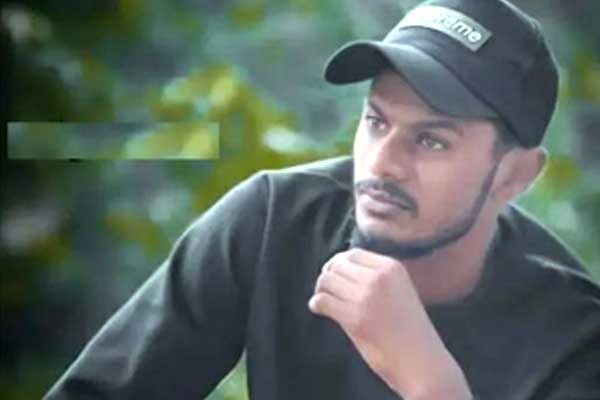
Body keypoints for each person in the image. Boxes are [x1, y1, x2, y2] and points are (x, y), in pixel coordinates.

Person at [45, 0, 600, 399]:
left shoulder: (574, 340)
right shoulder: (274, 222)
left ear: (514, 175)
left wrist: (430, 383)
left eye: (432, 141)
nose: (382, 164)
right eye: (376, 122)